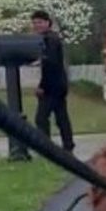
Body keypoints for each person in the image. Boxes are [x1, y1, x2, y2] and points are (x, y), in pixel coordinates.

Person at [31, 10, 76, 152]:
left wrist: (42, 86)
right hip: (59, 84)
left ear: (47, 22)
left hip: (52, 85)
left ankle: (47, 147)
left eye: (40, 22)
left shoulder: (49, 40)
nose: (36, 25)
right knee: (61, 116)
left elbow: (51, 64)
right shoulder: (51, 38)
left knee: (41, 118)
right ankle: (68, 144)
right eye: (34, 22)